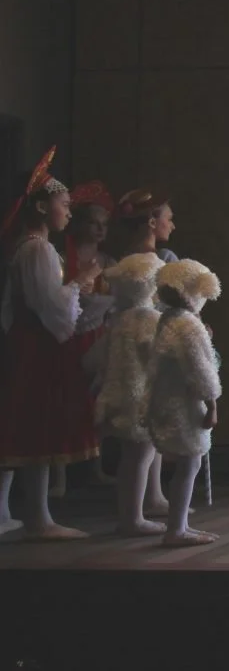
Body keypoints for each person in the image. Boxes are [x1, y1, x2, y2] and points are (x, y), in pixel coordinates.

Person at [0, 150, 101, 539]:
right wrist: (82, 280)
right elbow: (53, 307)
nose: (68, 213)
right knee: (36, 425)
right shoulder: (36, 249)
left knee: (21, 425)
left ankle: (12, 512)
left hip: (31, 343)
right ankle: (39, 518)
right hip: (36, 347)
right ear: (42, 207)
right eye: (63, 205)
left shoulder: (35, 248)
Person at [146, 259, 222, 547]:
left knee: (186, 464)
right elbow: (202, 370)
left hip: (166, 399)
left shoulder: (169, 319)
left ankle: (179, 526)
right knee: (190, 464)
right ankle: (176, 529)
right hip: (186, 404)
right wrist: (212, 405)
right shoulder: (189, 325)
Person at [92, 253, 167, 535]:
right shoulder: (150, 318)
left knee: (129, 457)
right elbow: (157, 353)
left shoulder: (120, 321)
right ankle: (133, 518)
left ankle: (129, 514)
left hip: (118, 393)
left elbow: (94, 357)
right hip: (141, 397)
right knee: (141, 456)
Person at [114, 187, 177, 515]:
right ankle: (131, 516)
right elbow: (147, 309)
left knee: (146, 438)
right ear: (152, 222)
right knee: (139, 439)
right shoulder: (144, 264)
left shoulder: (139, 261)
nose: (172, 225)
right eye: (168, 218)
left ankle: (147, 502)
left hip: (138, 343)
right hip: (141, 348)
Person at [56, 180, 118, 494]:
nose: (98, 230)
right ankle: (58, 475)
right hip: (65, 340)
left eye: (103, 225)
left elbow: (119, 301)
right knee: (62, 403)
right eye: (92, 223)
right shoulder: (60, 258)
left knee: (97, 404)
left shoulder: (108, 264)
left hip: (98, 338)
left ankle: (95, 466)